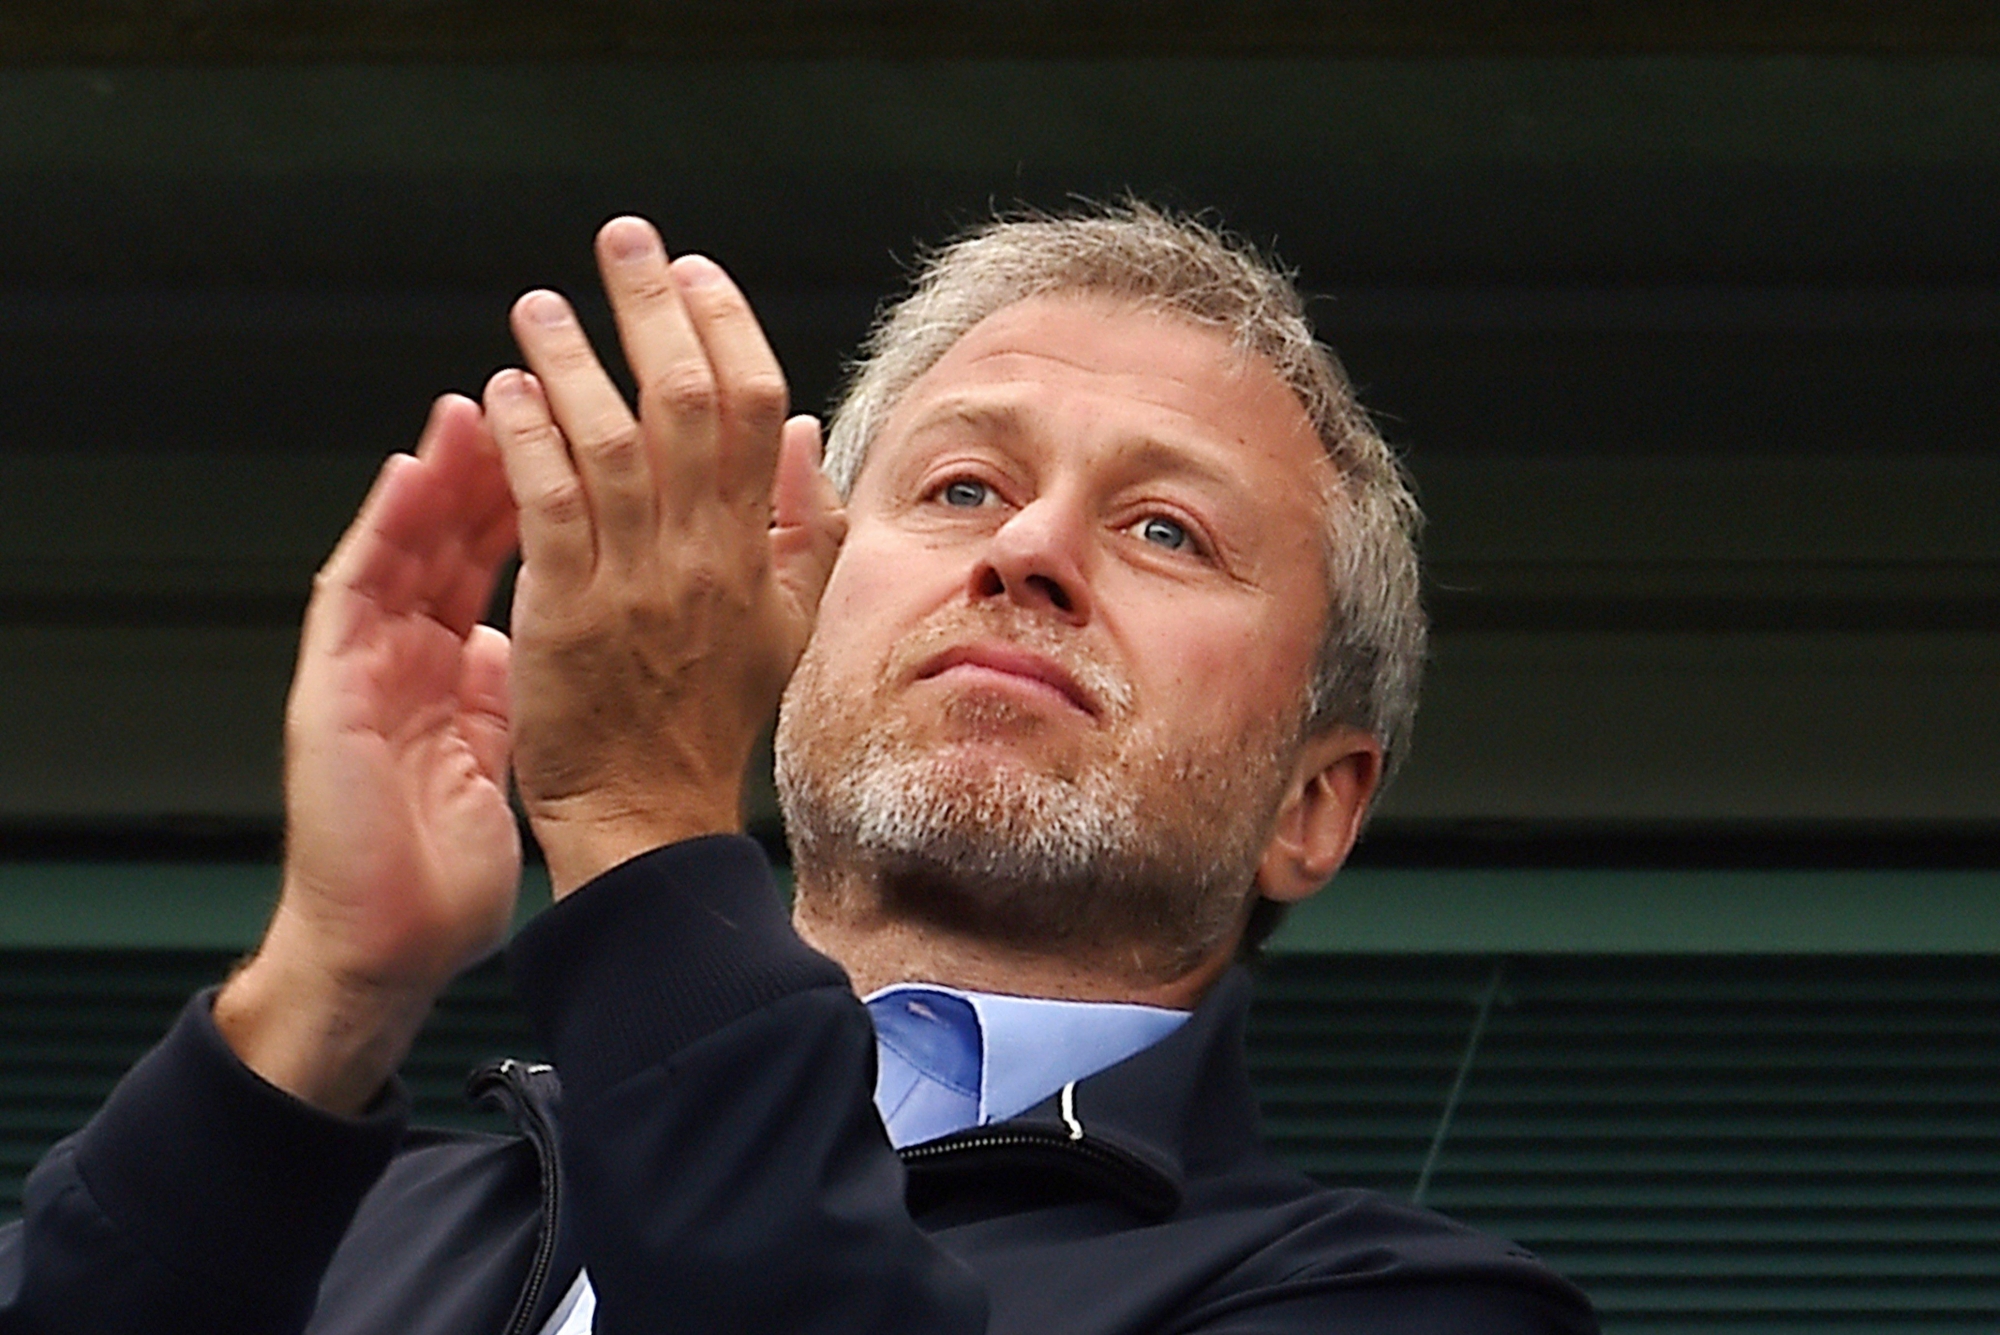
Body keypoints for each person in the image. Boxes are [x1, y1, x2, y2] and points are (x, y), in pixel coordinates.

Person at [0, 205, 1598, 1334]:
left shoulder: (1394, 1302)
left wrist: (634, 824)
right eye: (963, 486)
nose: (1030, 551)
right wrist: (328, 991)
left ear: (1316, 805)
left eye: (1165, 529)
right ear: (805, 610)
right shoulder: (356, 1225)